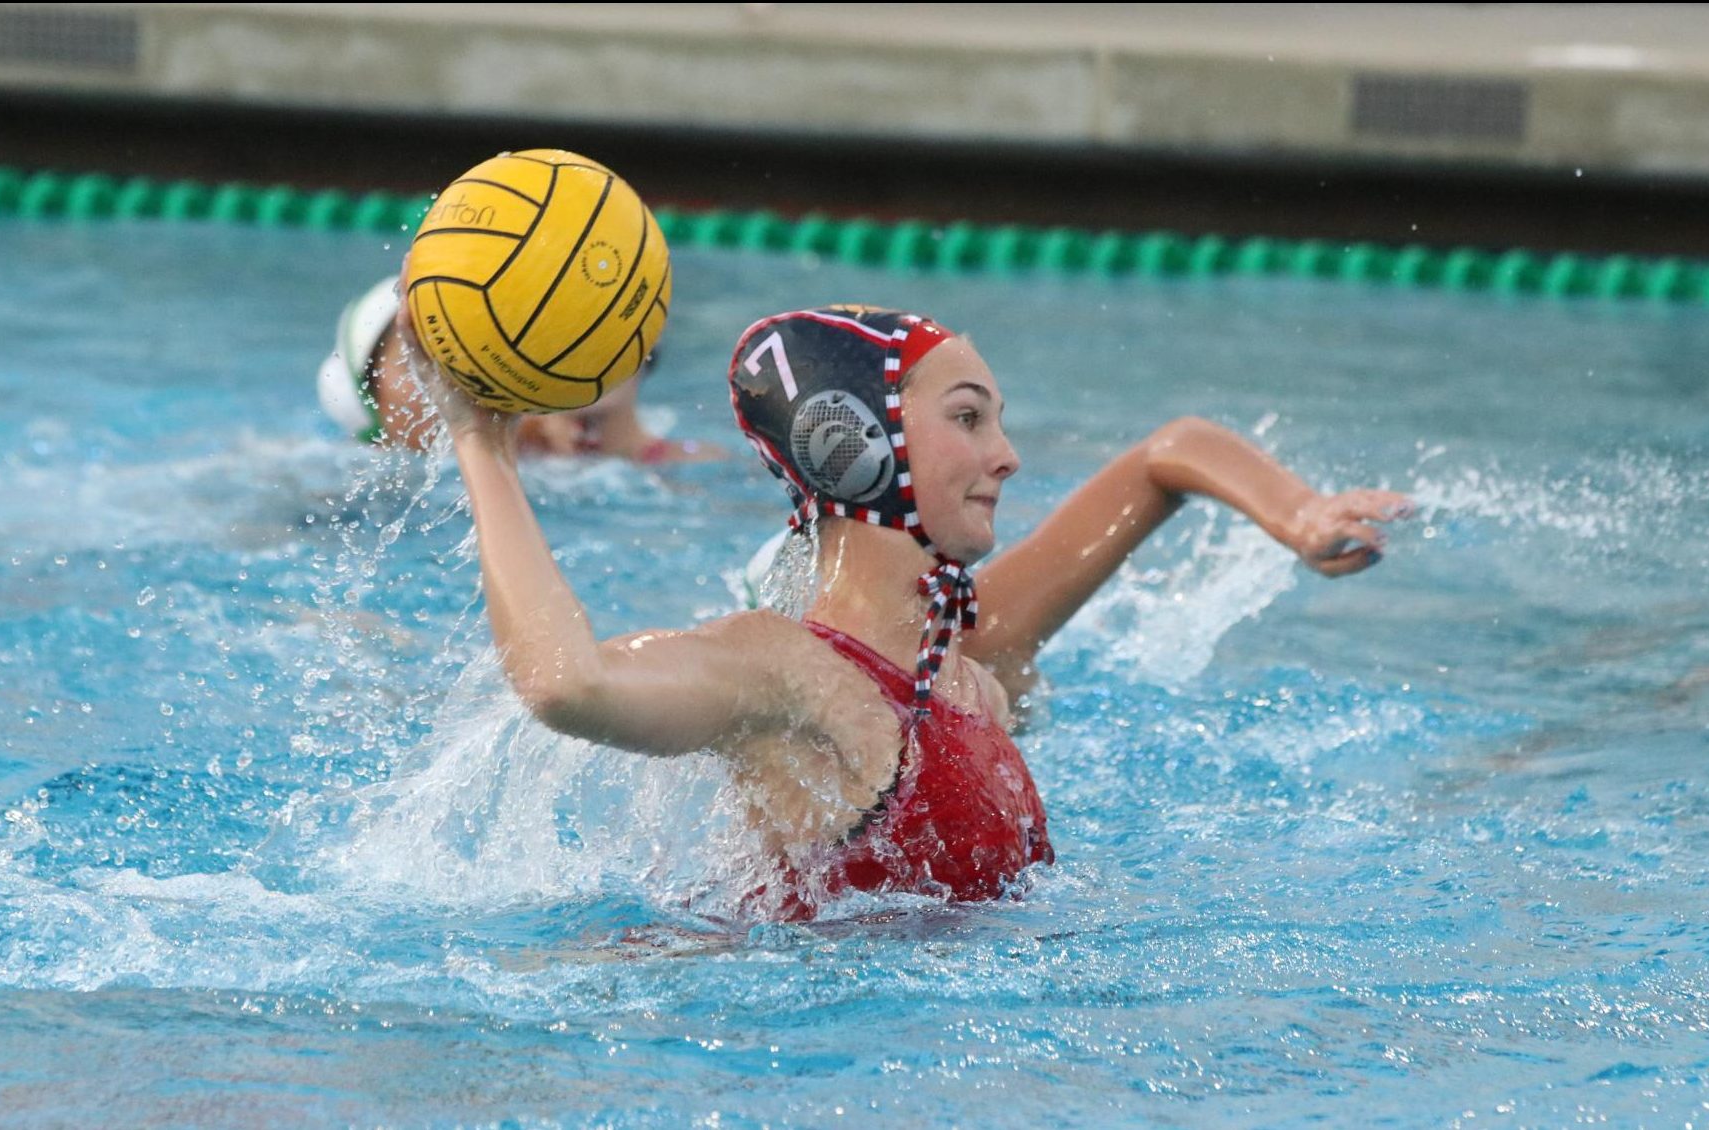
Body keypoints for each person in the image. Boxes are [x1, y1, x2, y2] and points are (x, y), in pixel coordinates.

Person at [424, 303, 1412, 920]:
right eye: (970, 417)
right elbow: (567, 681)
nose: (1008, 453)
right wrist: (482, 446)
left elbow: (1167, 454)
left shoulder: (965, 657)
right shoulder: (782, 671)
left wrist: (1298, 513)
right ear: (859, 444)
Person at [316, 275, 718, 462]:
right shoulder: (343, 476)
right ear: (373, 407)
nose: (454, 372)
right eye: (419, 363)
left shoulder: (554, 445)